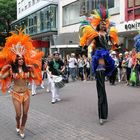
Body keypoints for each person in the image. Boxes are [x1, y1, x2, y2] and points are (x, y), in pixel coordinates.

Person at [79, 5, 119, 125]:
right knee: (101, 91)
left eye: (104, 23)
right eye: (101, 23)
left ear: (106, 24)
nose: (102, 25)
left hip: (107, 64)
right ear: (98, 24)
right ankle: (102, 116)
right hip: (99, 66)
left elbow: (114, 43)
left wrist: (116, 45)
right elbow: (87, 42)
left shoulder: (108, 35)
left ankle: (103, 115)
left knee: (103, 89)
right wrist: (84, 46)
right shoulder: (95, 34)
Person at [0, 30, 43, 138]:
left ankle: (22, 128)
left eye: (22, 59)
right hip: (16, 94)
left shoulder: (27, 69)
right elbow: (1, 77)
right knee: (18, 114)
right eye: (18, 59)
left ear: (24, 59)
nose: (20, 60)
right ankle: (17, 124)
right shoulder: (12, 70)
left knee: (25, 114)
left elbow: (35, 77)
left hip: (26, 94)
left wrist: (33, 69)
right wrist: (5, 68)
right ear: (16, 60)